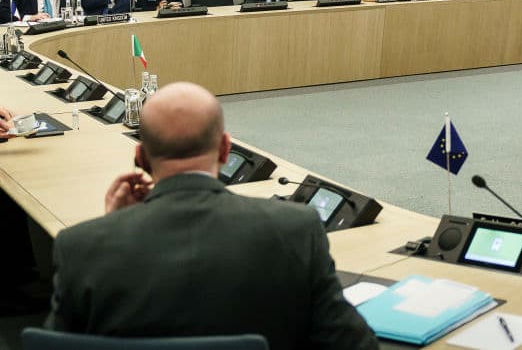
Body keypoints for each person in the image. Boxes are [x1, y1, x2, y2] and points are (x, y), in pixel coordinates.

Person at [44, 82, 379, 349]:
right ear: (224, 149)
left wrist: (112, 227)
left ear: (140, 158)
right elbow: (353, 343)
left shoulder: (80, 247)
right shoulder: (296, 230)